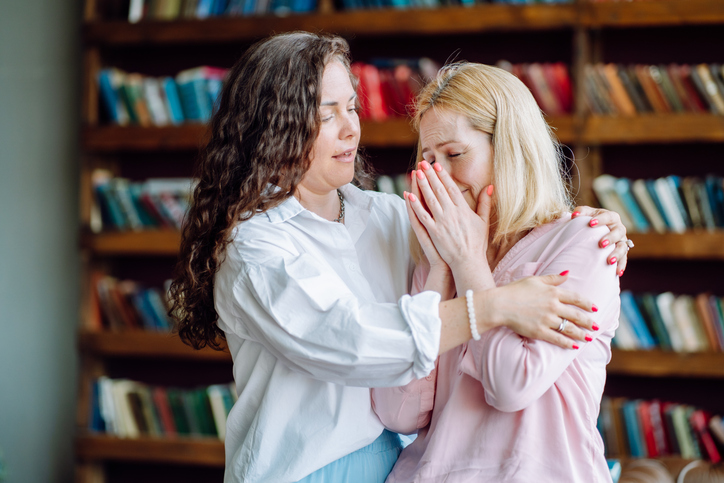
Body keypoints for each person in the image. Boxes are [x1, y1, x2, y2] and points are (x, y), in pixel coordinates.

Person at [168, 32, 629, 483]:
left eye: (352, 107)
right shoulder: (255, 248)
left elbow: (534, 231)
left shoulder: (391, 216)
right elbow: (351, 343)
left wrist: (597, 224)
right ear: (276, 126)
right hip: (301, 468)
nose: (352, 128)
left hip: (391, 462)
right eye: (327, 115)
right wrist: (492, 304)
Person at [371, 62, 622, 483]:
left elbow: (512, 385)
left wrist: (470, 264)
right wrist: (439, 273)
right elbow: (399, 412)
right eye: (429, 160)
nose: (440, 177)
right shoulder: (438, 256)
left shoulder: (585, 240)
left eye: (454, 154)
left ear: (510, 148)